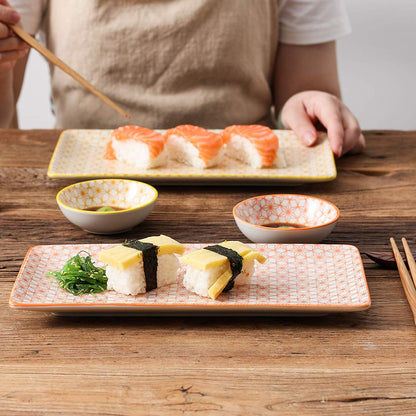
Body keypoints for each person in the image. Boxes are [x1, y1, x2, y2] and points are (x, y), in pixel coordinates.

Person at [0, 0, 365, 157]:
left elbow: (304, 93)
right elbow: (4, 124)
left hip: (246, 189)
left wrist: (311, 103)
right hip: (84, 192)